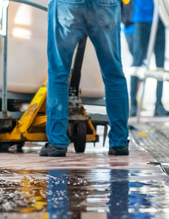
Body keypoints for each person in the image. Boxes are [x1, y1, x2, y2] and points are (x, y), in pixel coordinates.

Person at [42, 0, 130, 157]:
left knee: (58, 72)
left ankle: (57, 143)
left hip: (68, 5)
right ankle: (119, 142)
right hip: (106, 4)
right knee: (114, 74)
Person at [130, 0, 169, 117]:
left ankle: (158, 105)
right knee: (136, 64)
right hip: (141, 19)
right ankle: (133, 104)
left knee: (160, 65)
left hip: (159, 19)